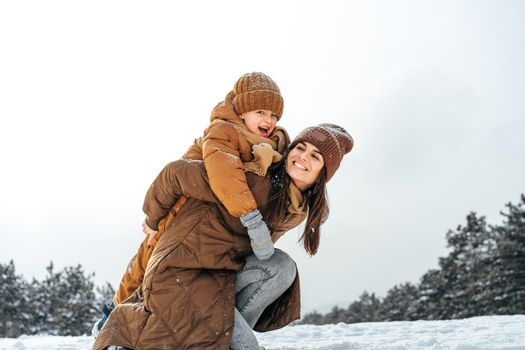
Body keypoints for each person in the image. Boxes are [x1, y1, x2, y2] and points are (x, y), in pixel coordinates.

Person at [92, 124, 353, 350]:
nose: (302, 156)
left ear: (323, 175)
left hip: (221, 271)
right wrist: (152, 220)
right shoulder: (252, 179)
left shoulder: (295, 209)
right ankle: (127, 326)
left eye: (315, 155)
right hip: (189, 270)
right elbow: (176, 173)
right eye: (300, 147)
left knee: (282, 267)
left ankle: (218, 337)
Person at [92, 72, 289, 337]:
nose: (268, 120)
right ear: (242, 112)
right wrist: (251, 218)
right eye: (261, 111)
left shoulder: (265, 143)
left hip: (200, 229)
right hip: (175, 220)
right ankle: (111, 320)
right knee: (141, 273)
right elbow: (225, 175)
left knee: (151, 275)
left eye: (274, 115)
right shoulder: (224, 131)